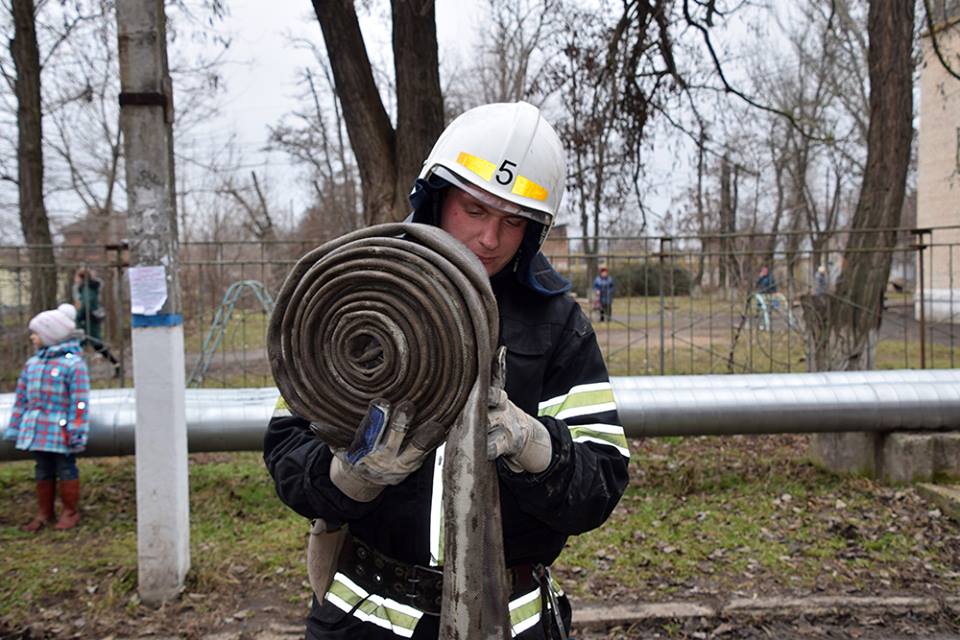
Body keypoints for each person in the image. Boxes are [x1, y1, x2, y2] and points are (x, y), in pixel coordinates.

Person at [263, 102, 630, 639]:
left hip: (509, 620)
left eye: (512, 221)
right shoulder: (360, 288)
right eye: (475, 210)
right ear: (436, 196)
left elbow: (600, 482)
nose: (490, 239)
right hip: (365, 617)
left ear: (534, 229)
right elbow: (287, 455)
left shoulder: (556, 320)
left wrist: (532, 443)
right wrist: (352, 474)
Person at [4, 303, 90, 531]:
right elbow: (21, 399)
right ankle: (45, 512)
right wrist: (16, 426)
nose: (33, 337)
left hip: (60, 431)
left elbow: (79, 401)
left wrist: (76, 428)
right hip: (36, 429)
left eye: (37, 333)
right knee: (42, 468)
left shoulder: (73, 365)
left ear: (50, 336)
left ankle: (70, 511)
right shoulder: (32, 365)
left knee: (65, 467)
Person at [72, 267, 120, 377]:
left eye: (77, 277)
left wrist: (79, 317)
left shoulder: (87, 289)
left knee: (88, 344)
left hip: (87, 321)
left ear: (81, 278)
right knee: (85, 345)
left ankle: (116, 364)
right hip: (89, 320)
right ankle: (116, 364)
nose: (75, 279)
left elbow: (86, 305)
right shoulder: (87, 288)